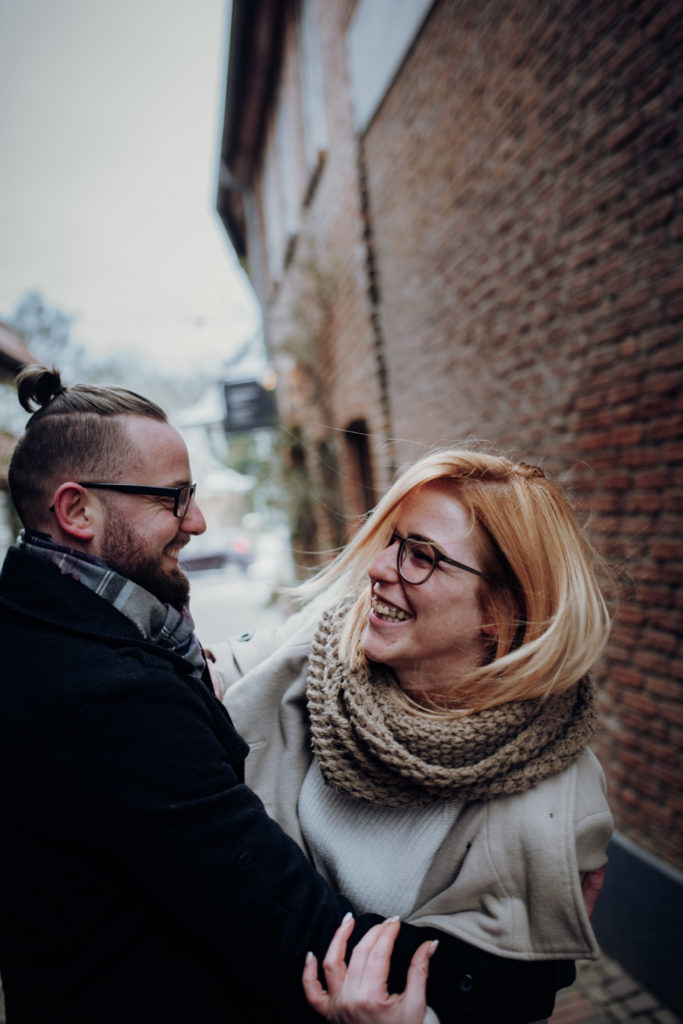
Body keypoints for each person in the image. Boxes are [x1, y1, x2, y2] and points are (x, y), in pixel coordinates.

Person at [0, 365, 454, 1024]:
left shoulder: (41, 633)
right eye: (173, 498)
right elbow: (287, 922)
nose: (199, 521)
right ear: (76, 511)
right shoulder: (110, 699)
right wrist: (506, 972)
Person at [210, 446, 615, 1023]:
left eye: (422, 557)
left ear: (502, 611)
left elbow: (487, 999)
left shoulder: (555, 804)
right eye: (394, 541)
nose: (379, 568)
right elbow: (202, 676)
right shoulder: (325, 643)